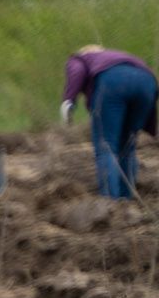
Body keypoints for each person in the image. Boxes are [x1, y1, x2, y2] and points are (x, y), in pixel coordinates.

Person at [62, 46, 159, 200]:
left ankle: (110, 203)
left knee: (106, 145)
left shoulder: (80, 57)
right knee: (127, 145)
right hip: (148, 82)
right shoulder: (120, 56)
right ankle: (126, 198)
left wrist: (68, 101)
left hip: (112, 83)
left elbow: (77, 70)